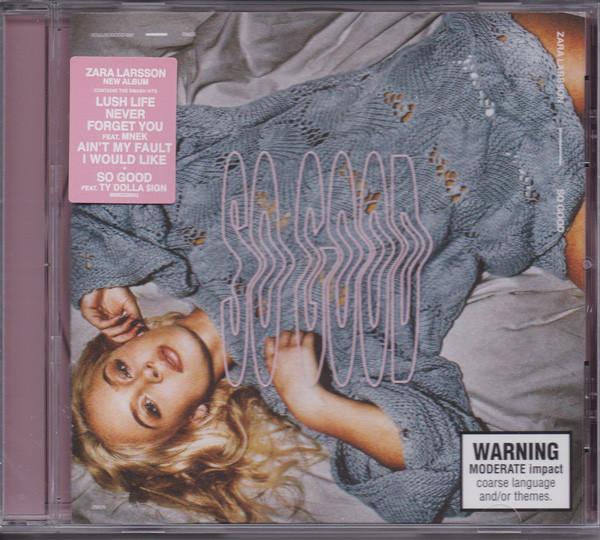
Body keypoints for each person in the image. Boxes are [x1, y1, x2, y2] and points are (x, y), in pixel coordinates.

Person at [71, 12, 586, 523]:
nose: (148, 376)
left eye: (121, 371)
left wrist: (95, 272)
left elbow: (112, 99)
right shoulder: (305, 381)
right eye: (150, 407)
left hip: (487, 75)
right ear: (197, 417)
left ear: (120, 344)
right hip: (543, 203)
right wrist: (317, 405)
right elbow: (527, 481)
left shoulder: (178, 239)